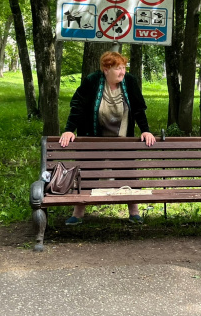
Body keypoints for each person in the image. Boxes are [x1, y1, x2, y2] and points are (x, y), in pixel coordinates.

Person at [59, 51, 156, 225]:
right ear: (106, 69)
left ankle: (134, 211)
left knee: (128, 173)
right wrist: (68, 130)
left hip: (122, 138)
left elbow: (139, 109)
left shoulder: (130, 82)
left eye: (123, 68)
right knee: (88, 174)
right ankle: (78, 213)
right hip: (94, 137)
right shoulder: (93, 81)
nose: (122, 72)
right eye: (118, 68)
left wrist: (145, 130)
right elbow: (77, 106)